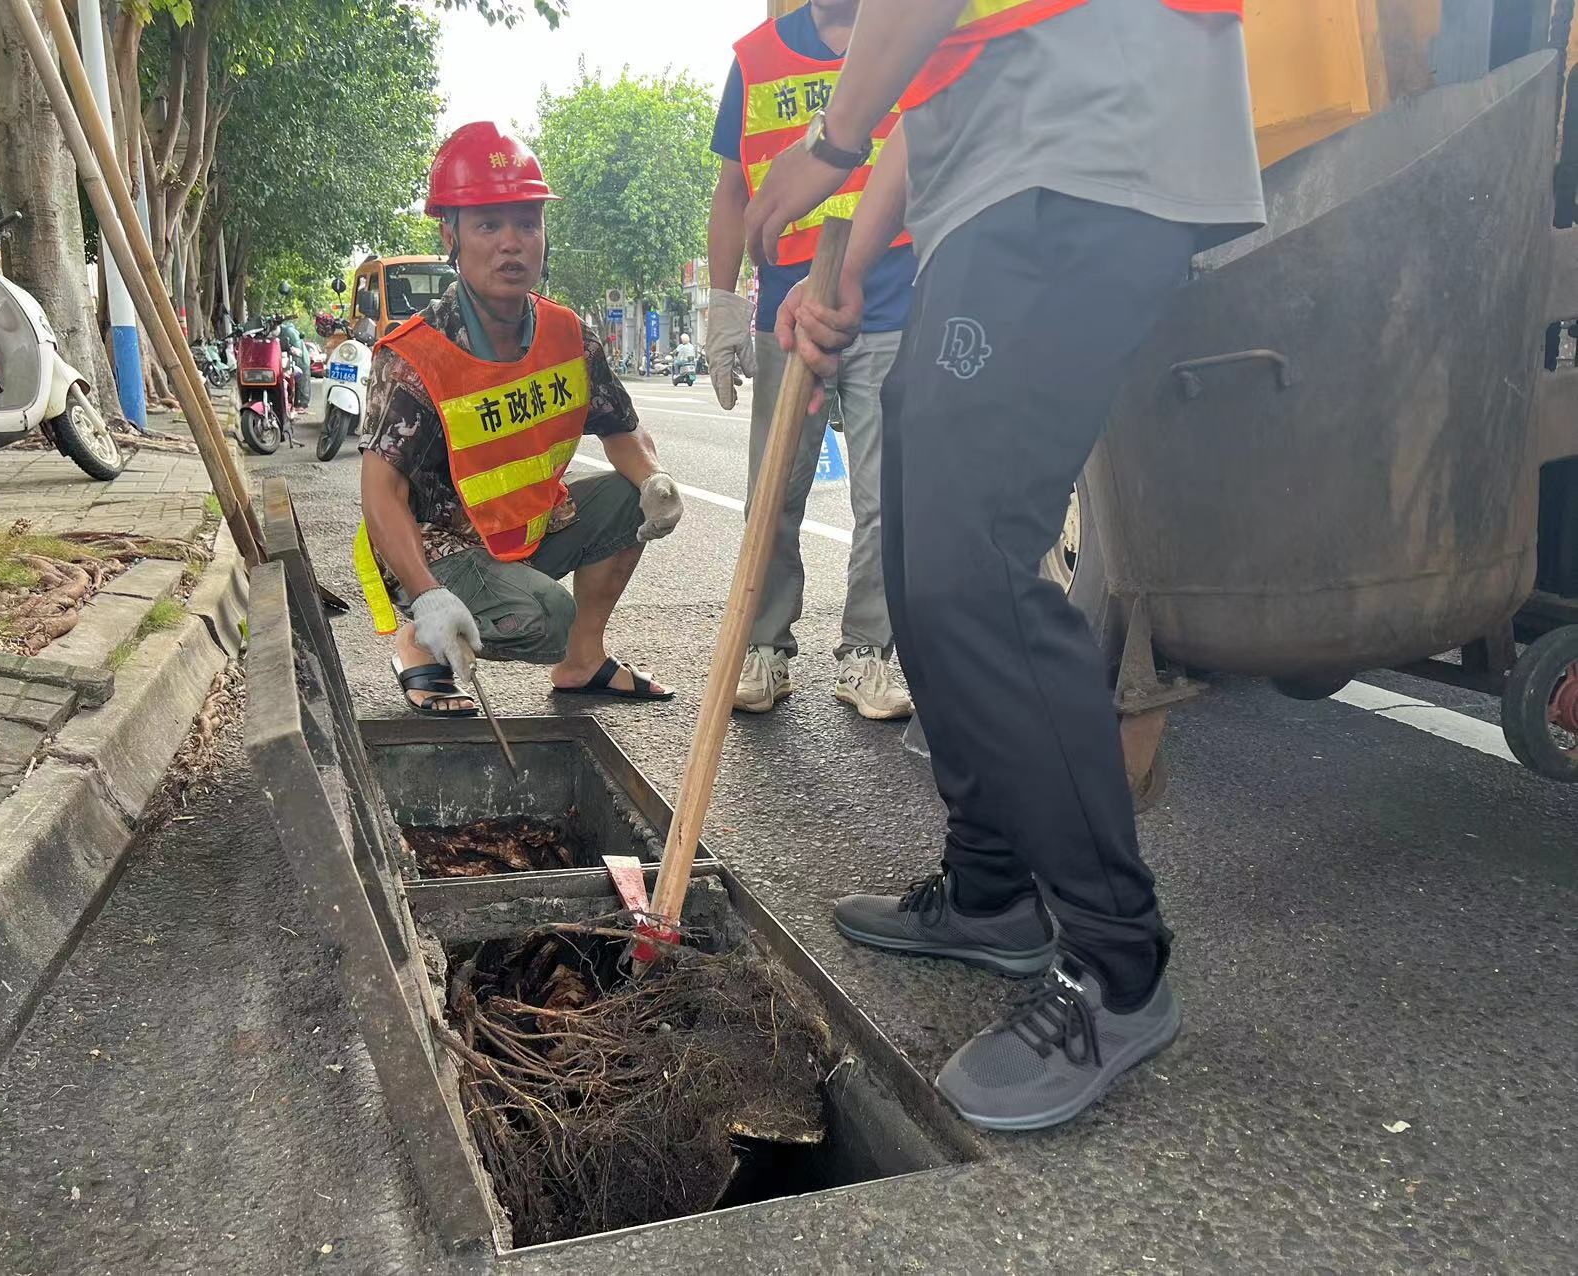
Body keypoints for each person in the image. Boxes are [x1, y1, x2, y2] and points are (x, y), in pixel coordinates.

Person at [745, 0, 1264, 1129]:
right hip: (1001, 186)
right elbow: (933, 76)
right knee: (933, 571)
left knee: (961, 571)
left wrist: (829, 141)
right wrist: (853, 257)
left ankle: (1117, 966)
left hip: (1083, 163)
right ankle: (991, 893)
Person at [357, 121, 685, 716]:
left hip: (527, 526)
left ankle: (582, 660)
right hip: (435, 549)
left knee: (630, 497)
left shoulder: (569, 337)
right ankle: (418, 640)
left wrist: (654, 478)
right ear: (450, 234)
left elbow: (621, 429)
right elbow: (380, 492)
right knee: (547, 619)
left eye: (527, 223)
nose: (512, 242)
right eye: (488, 224)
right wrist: (428, 596)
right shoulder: (416, 357)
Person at [708, 0, 916, 721]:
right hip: (786, 317)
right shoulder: (756, 57)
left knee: (887, 494)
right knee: (776, 488)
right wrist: (724, 302)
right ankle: (764, 647)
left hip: (889, 300)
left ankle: (868, 653)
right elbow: (733, 191)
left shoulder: (902, 30)